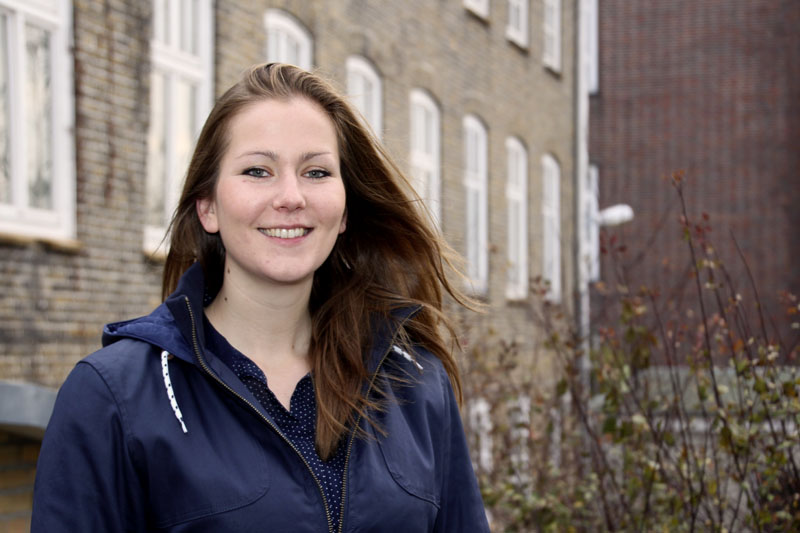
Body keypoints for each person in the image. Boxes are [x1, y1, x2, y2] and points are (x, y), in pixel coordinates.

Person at [32, 63, 490, 532]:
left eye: (315, 172)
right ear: (207, 206)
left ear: (345, 208)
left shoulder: (415, 383)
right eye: (257, 170)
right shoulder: (114, 397)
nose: (291, 196)